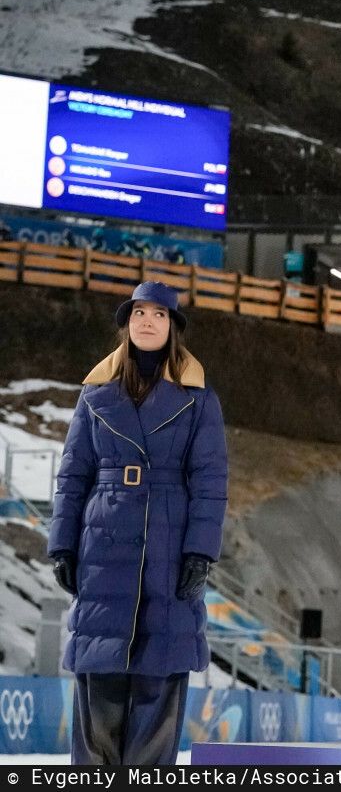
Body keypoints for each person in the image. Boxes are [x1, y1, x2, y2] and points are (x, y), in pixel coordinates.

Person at [49, 282, 227, 765]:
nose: (147, 321)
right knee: (99, 676)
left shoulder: (198, 398)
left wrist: (200, 552)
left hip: (168, 544)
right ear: (126, 324)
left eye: (159, 314)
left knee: (159, 675)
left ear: (173, 327)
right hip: (103, 542)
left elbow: (210, 481)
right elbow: (73, 473)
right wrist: (62, 544)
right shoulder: (95, 394)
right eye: (139, 313)